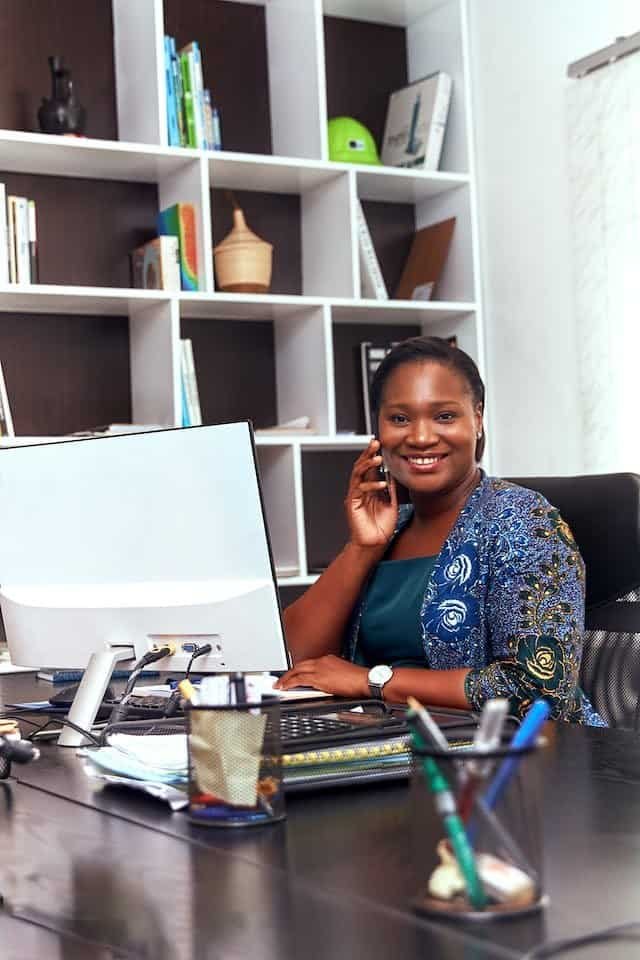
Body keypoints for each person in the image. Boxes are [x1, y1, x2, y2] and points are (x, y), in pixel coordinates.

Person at [276, 336, 605, 725]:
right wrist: (362, 548)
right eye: (400, 418)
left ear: (477, 419)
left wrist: (372, 681)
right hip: (389, 749)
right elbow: (291, 662)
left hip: (514, 762)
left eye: (444, 416)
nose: (420, 437)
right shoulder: (391, 527)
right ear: (378, 429)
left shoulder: (522, 520)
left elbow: (536, 691)